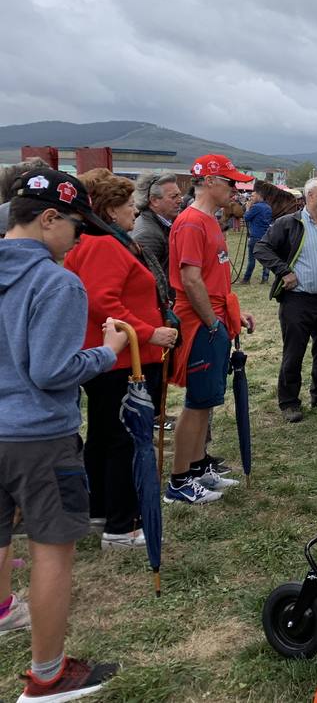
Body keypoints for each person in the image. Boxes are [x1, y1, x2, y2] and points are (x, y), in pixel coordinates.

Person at [0, 167, 128, 700]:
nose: (79, 238)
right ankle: (47, 676)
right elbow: (52, 370)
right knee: (53, 550)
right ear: (48, 219)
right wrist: (109, 352)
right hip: (39, 437)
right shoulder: (56, 281)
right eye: (76, 226)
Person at [64, 170, 178, 548]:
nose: (134, 211)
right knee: (123, 440)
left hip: (115, 358)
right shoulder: (104, 245)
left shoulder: (103, 241)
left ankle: (101, 510)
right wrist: (149, 332)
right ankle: (122, 523)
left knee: (104, 436)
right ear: (110, 210)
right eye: (129, 205)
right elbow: (102, 302)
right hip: (120, 359)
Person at [165, 154, 256, 505]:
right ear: (211, 182)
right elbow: (190, 279)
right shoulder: (191, 223)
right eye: (230, 182)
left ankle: (198, 466)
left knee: (207, 400)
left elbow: (211, 277)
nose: (235, 189)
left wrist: (232, 312)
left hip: (214, 318)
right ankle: (179, 481)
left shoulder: (208, 221)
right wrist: (211, 322)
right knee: (197, 402)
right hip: (202, 322)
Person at [255, 177, 317, 424]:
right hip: (297, 301)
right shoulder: (288, 223)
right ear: (311, 196)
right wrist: (284, 271)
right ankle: (289, 402)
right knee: (294, 352)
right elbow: (261, 248)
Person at [130, 171, 183, 279]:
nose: (180, 200)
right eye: (174, 196)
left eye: (180, 195)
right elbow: (143, 280)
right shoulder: (149, 234)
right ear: (154, 200)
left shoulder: (159, 225)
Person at [240, 189, 273, 284]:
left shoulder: (256, 207)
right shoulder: (268, 207)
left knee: (251, 259)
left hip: (255, 236)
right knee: (266, 258)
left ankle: (246, 279)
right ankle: (265, 278)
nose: (251, 198)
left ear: (259, 196)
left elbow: (246, 217)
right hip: (266, 236)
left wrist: (247, 208)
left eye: (253, 196)